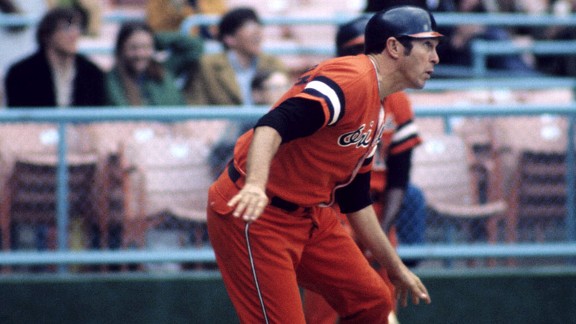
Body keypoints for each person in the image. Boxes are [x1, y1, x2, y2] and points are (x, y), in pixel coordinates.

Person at [206, 5, 440, 323]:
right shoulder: (352, 79)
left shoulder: (381, 105)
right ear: (395, 47)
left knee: (374, 301)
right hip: (257, 215)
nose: (435, 57)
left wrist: (395, 268)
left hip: (310, 216)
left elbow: (355, 198)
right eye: (427, 45)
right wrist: (256, 186)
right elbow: (271, 125)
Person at [303, 14, 427, 324]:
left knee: (381, 307)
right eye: (354, 50)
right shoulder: (331, 94)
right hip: (331, 214)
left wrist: (381, 234)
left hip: (377, 213)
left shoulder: (396, 102)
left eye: (366, 50)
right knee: (325, 311)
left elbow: (400, 177)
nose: (361, 58)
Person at [4, 6, 105, 108]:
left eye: (78, 27)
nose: (75, 34)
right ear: (48, 34)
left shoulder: (92, 73)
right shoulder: (21, 74)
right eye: (67, 27)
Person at [184, 6, 286, 106]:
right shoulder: (208, 65)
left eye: (258, 28)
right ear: (229, 39)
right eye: (249, 28)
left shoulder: (273, 64)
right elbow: (196, 104)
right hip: (225, 122)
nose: (257, 34)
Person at [105, 21, 195, 106]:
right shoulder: (112, 80)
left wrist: (158, 40)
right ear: (121, 49)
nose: (140, 54)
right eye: (133, 48)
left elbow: (195, 47)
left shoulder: (164, 69)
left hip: (175, 122)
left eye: (146, 47)